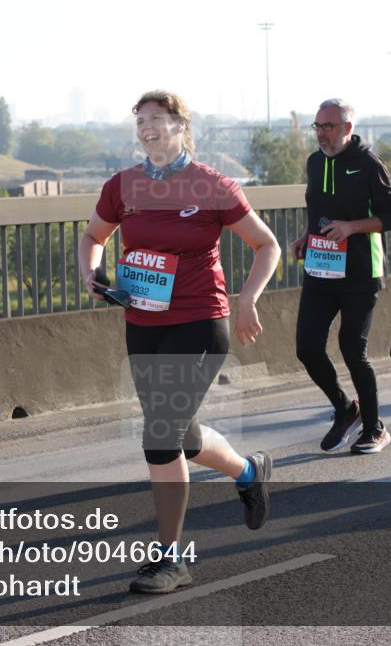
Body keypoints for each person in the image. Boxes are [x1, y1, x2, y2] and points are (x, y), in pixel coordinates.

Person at [79, 90, 281, 594]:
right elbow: (93, 237)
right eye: (140, 121)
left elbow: (267, 244)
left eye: (156, 119)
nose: (146, 127)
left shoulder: (211, 184)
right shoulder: (123, 186)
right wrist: (91, 273)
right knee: (180, 437)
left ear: (180, 126)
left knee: (160, 437)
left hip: (199, 321)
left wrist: (247, 299)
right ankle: (248, 470)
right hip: (142, 322)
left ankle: (172, 559)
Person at [291, 98, 391, 455]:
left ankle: (374, 428)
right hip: (320, 268)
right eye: (318, 126)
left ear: (348, 128)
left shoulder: (368, 164)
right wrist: (305, 236)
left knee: (352, 350)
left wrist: (351, 227)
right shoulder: (314, 162)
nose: (321, 134)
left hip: (360, 271)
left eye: (329, 126)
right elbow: (318, 209)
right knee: (307, 348)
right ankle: (345, 410)